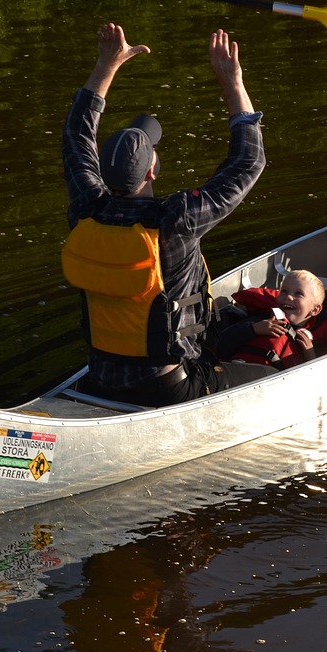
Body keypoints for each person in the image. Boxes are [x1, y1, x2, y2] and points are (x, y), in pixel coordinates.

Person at [60, 23, 275, 406]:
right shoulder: (177, 219)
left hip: (102, 376)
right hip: (168, 386)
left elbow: (77, 136)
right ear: (152, 171)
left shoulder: (87, 208)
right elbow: (249, 161)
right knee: (275, 376)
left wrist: (106, 65)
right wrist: (232, 82)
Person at [215, 270, 327, 369]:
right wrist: (253, 329)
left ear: (315, 310)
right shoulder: (264, 320)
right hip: (231, 369)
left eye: (298, 294)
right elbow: (220, 345)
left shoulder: (312, 342)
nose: (288, 296)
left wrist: (311, 357)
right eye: (284, 291)